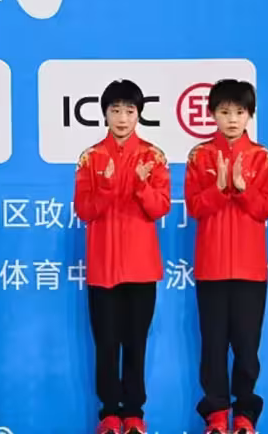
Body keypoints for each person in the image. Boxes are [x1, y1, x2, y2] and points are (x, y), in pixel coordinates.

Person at [73, 80, 170, 434]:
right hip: (103, 269)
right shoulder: (91, 158)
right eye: (115, 110)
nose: (123, 118)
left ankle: (134, 413)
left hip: (141, 268)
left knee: (135, 342)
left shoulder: (153, 157)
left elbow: (159, 208)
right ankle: (109, 414)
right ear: (105, 114)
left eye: (130, 110)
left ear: (139, 114)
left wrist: (141, 185)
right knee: (106, 342)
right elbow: (84, 210)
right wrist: (109, 187)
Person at [185, 79, 268, 434]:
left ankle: (245, 415)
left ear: (250, 115)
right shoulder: (200, 156)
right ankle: (217, 414)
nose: (232, 119)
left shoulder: (262, 157)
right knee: (214, 346)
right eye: (224, 112)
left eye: (239, 111)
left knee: (247, 348)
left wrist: (244, 189)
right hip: (212, 268)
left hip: (251, 270)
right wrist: (219, 189)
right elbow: (194, 207)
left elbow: (266, 208)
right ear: (212, 114)